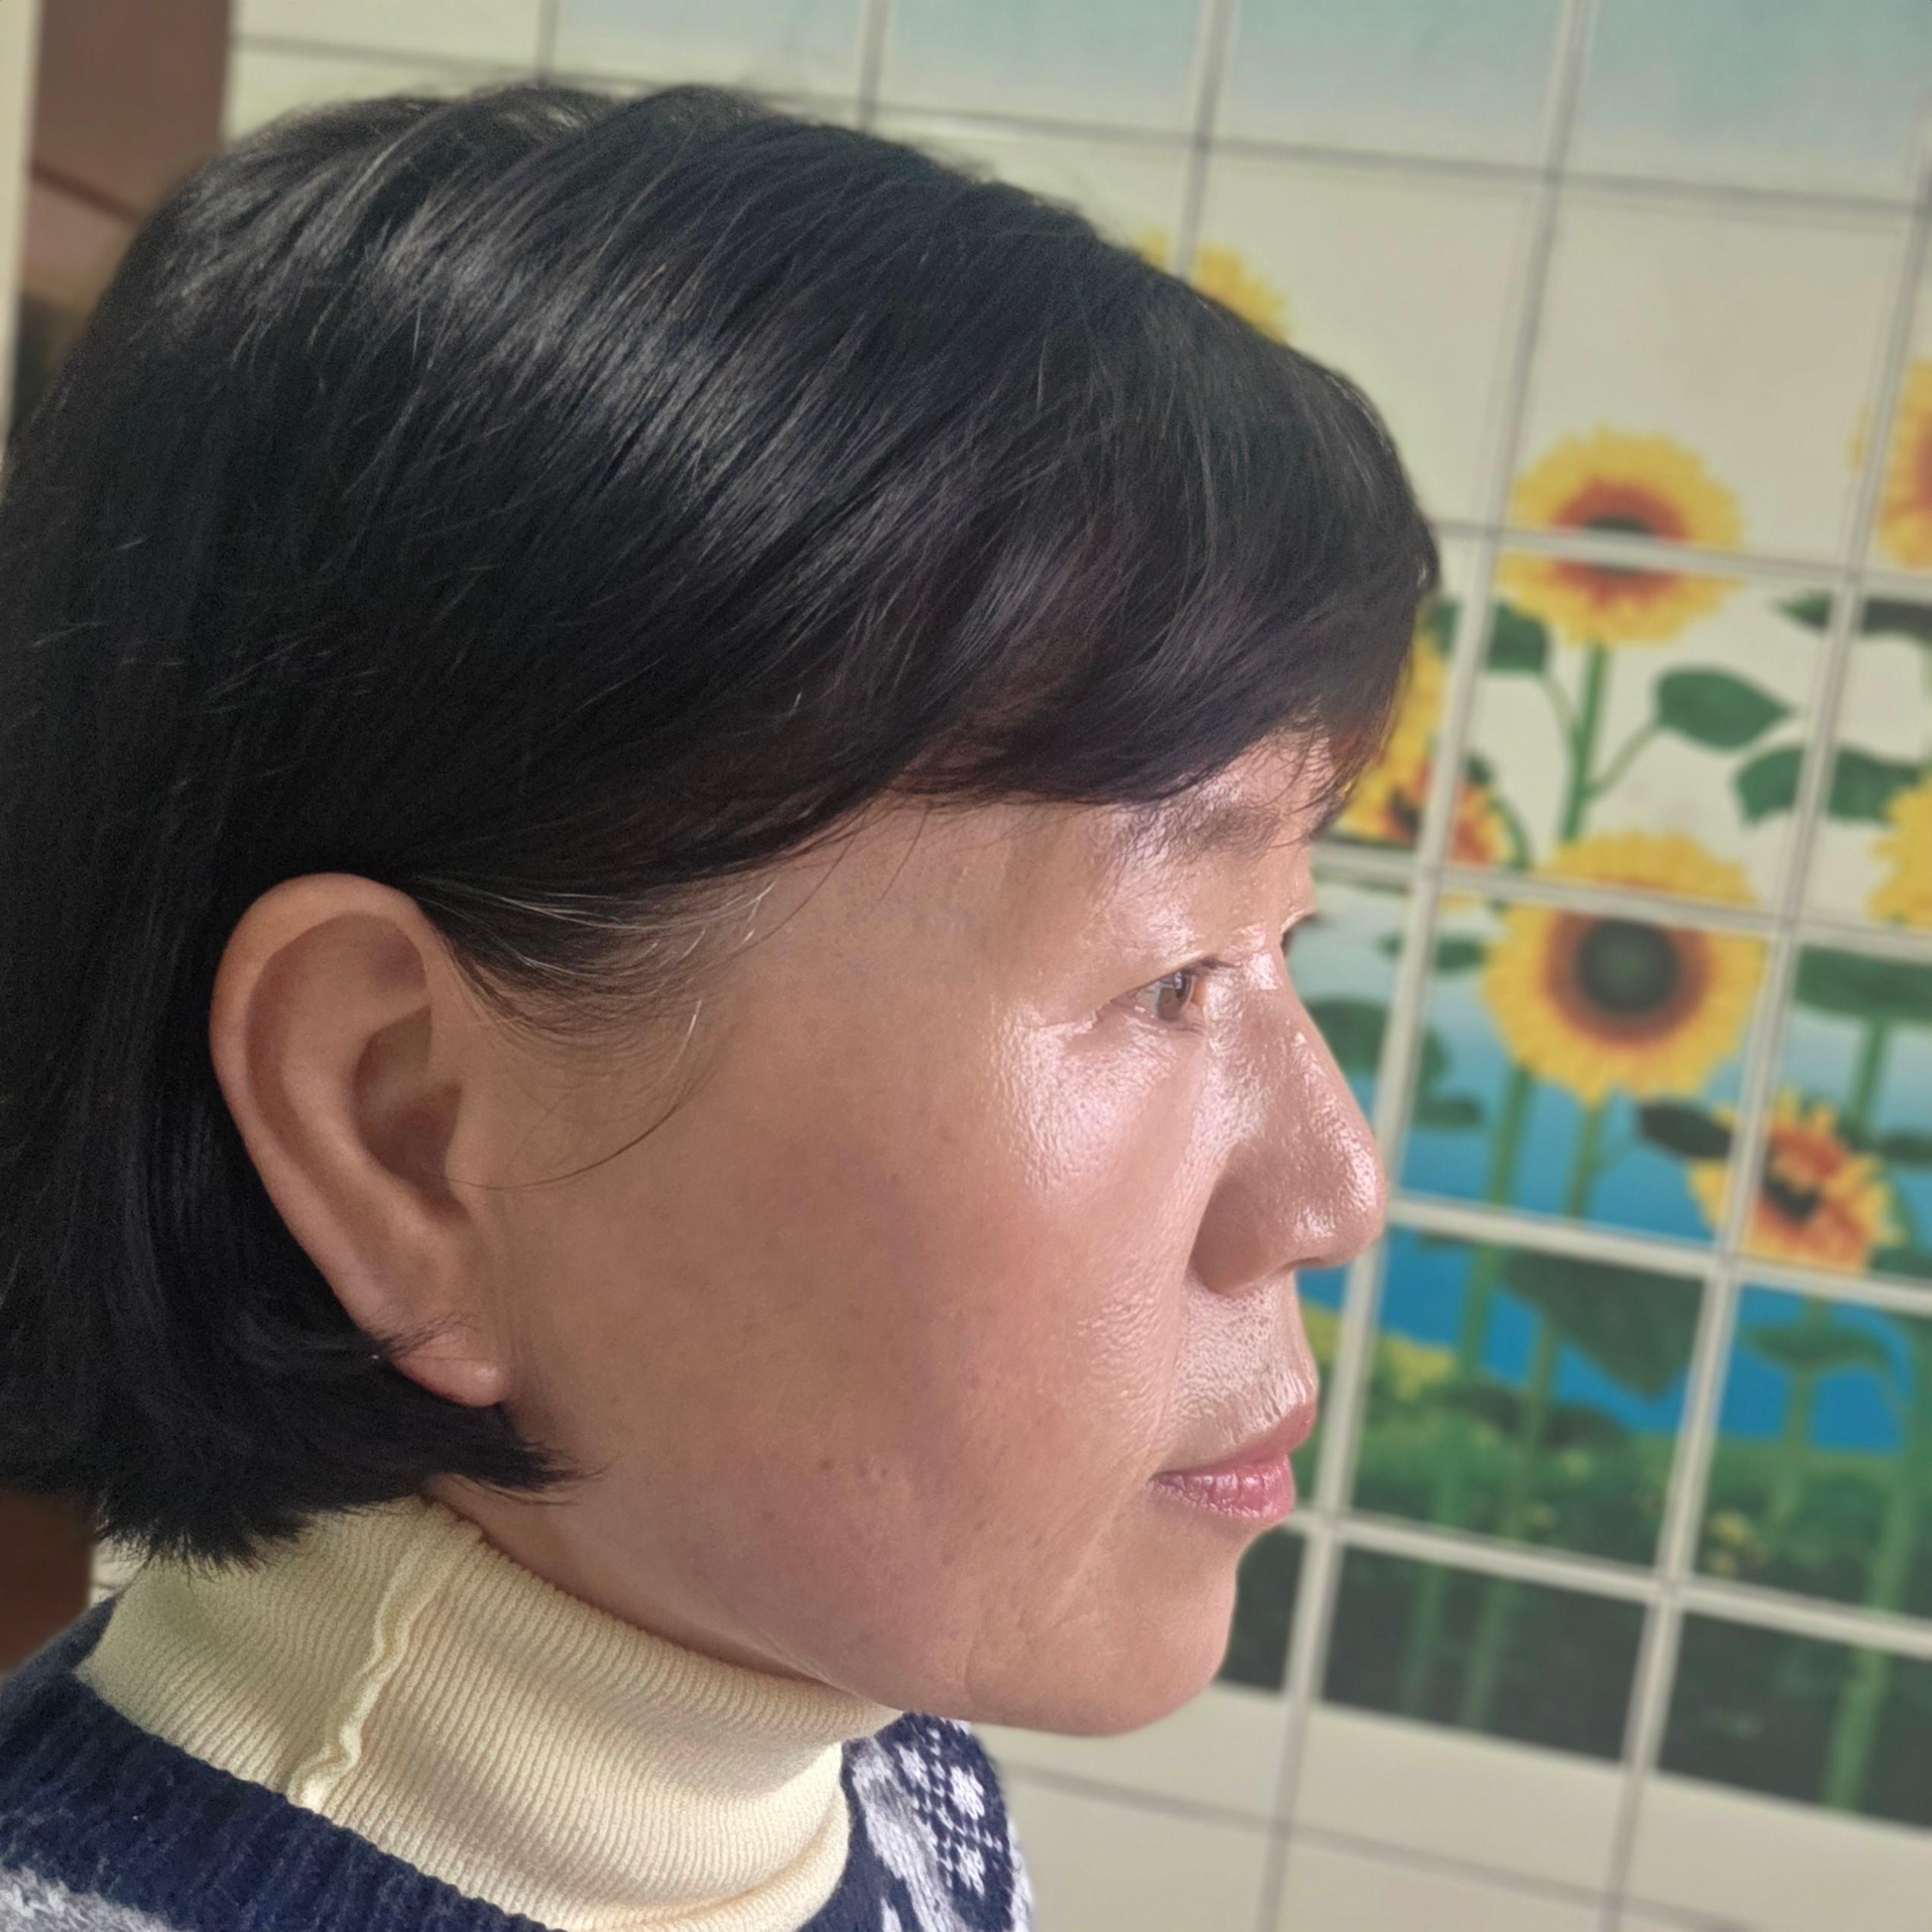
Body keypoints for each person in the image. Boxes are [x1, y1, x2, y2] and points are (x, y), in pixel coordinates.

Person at [0, 80, 1434, 1932]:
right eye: (1169, 975)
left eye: (1281, 944)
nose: (1332, 1189)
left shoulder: (876, 1773)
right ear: (404, 1127)